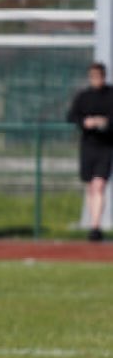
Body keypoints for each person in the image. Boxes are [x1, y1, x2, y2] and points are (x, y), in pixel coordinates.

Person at [65, 62, 113, 242]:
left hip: (106, 146)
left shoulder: (110, 95)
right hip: (88, 146)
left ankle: (95, 226)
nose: (96, 80)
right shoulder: (83, 96)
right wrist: (85, 122)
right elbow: (71, 116)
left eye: (99, 76)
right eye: (93, 76)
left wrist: (104, 123)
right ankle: (93, 223)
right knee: (90, 187)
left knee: (99, 184)